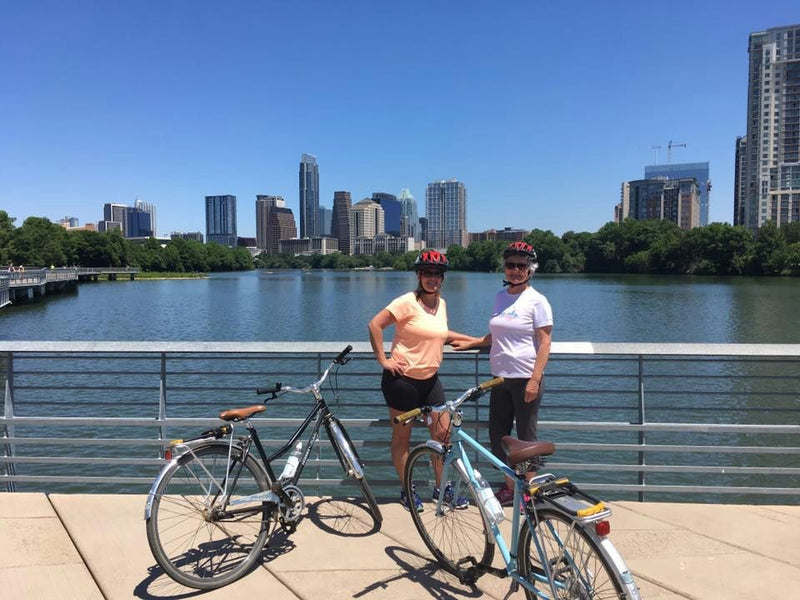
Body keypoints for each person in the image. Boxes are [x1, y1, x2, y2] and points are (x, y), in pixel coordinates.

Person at [368, 250, 474, 512]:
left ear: (442, 278)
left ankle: (442, 489)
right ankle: (407, 489)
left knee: (444, 437)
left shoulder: (442, 304)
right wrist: (383, 360)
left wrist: (475, 341)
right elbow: (374, 325)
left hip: (430, 381)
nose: (432, 278)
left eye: (437, 274)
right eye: (427, 273)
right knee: (402, 439)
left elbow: (441, 333)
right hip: (401, 382)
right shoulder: (406, 302)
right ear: (418, 275)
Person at [451, 241, 553, 506]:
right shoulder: (500, 297)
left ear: (531, 269)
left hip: (525, 380)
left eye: (521, 266)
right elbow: (497, 334)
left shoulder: (537, 301)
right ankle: (511, 487)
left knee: (527, 441)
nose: (515, 270)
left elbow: (545, 343)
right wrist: (473, 343)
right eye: (511, 265)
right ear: (504, 268)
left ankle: (528, 495)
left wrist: (535, 379)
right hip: (500, 379)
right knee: (498, 438)